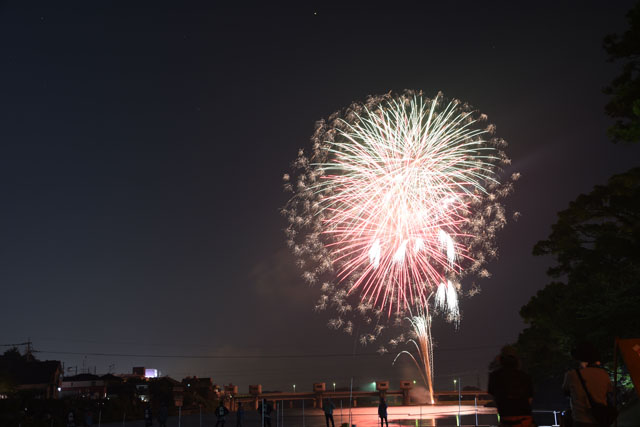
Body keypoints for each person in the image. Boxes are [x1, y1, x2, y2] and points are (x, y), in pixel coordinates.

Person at [562, 342, 614, 427]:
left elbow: (565, 392)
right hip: (600, 418)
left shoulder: (572, 375)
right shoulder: (603, 374)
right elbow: (609, 391)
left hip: (581, 420)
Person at [487, 346, 534, 427]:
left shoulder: (495, 376)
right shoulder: (525, 377)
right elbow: (530, 399)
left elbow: (493, 395)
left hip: (505, 420)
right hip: (525, 420)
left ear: (501, 360)